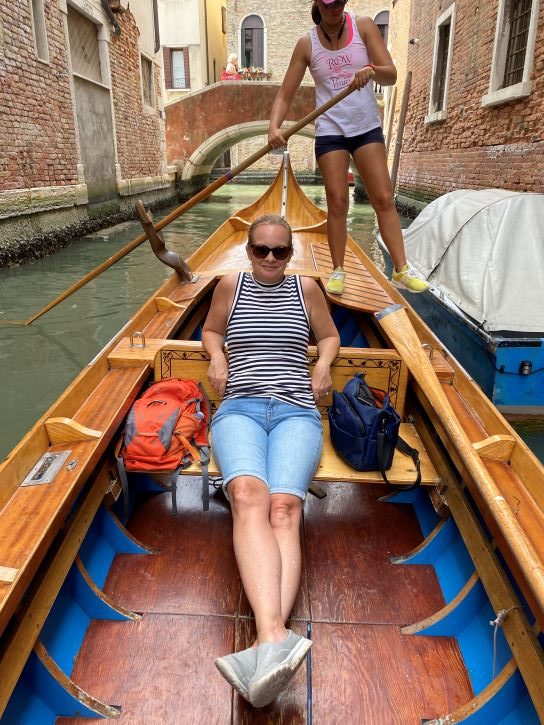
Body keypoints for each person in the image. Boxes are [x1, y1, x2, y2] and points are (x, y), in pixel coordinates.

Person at [202, 214, 340, 708]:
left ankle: (265, 643)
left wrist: (322, 365)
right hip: (238, 408)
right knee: (246, 495)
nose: (270, 260)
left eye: (280, 252)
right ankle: (275, 639)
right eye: (261, 250)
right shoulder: (228, 286)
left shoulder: (307, 289)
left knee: (284, 506)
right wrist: (217, 357)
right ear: (247, 249)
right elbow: (212, 331)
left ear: (291, 254)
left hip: (297, 412)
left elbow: (328, 337)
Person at [268, 0, 429, 296]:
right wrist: (274, 127)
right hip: (330, 130)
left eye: (340, 1)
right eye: (329, 3)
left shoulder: (364, 26)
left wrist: (371, 70)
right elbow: (284, 95)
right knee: (338, 202)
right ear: (319, 4)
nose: (335, 8)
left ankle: (401, 269)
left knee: (383, 197)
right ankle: (338, 269)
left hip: (365, 126)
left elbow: (390, 74)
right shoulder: (307, 43)